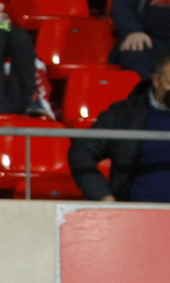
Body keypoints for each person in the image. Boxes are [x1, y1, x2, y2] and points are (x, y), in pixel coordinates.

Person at [69, 52, 170, 202]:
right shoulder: (124, 115)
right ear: (156, 81)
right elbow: (81, 153)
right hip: (137, 214)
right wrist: (103, 195)